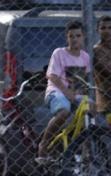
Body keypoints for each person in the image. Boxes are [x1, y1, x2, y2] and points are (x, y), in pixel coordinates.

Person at [38, 21, 91, 160]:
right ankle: (44, 144)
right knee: (64, 111)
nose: (74, 39)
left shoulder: (85, 57)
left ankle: (86, 148)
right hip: (56, 92)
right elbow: (52, 75)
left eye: (78, 36)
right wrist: (67, 93)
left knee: (92, 108)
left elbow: (84, 81)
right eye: (71, 36)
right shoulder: (59, 53)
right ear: (67, 38)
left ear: (83, 37)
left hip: (75, 94)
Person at [93, 16, 111, 123]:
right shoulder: (97, 51)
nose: (107, 31)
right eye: (103, 28)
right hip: (106, 104)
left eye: (110, 28)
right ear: (97, 30)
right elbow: (108, 71)